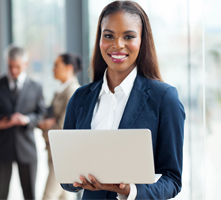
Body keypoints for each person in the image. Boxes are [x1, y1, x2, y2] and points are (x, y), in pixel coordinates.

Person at [61, 1, 185, 200]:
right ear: (99, 39)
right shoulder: (80, 98)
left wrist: (130, 191)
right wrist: (75, 179)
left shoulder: (164, 98)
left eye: (128, 36)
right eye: (108, 35)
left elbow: (172, 180)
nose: (117, 44)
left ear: (142, 41)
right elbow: (66, 175)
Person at [0, 45, 46, 200]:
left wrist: (26, 120)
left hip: (27, 148)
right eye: (10, 66)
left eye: (17, 66)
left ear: (26, 64)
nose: (13, 70)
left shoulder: (36, 87)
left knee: (30, 194)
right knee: (1, 195)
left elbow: (41, 113)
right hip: (3, 147)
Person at [38, 53, 82, 200]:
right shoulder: (61, 90)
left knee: (48, 196)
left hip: (63, 154)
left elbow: (63, 127)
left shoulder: (72, 91)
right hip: (54, 151)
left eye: (56, 65)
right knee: (63, 197)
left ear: (69, 68)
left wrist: (45, 126)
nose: (53, 69)